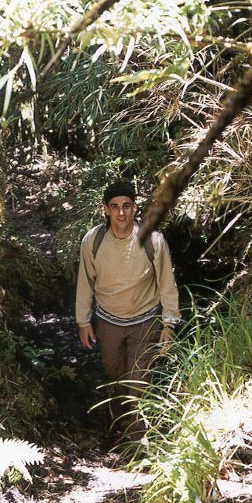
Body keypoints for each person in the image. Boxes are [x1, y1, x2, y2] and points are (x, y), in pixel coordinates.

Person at [75, 179, 181, 432]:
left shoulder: (153, 240)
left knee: (139, 383)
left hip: (145, 321)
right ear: (105, 209)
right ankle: (117, 427)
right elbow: (85, 281)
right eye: (114, 206)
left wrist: (169, 323)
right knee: (116, 378)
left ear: (135, 208)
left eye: (126, 205)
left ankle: (137, 439)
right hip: (108, 321)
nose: (121, 212)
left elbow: (167, 284)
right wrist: (83, 321)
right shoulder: (93, 240)